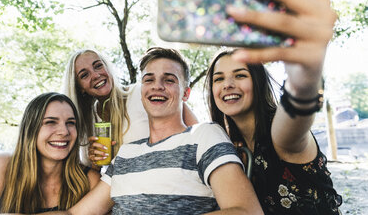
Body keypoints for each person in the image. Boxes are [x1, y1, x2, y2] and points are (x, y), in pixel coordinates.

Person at [23, 47, 263, 215]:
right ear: (142, 88)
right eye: (149, 79)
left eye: (169, 80)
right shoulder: (125, 154)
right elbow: (76, 214)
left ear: (186, 94)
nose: (156, 86)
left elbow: (247, 210)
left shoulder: (204, 136)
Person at [205, 0, 342, 214]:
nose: (227, 84)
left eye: (240, 75)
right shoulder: (227, 144)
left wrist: (305, 75)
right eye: (218, 79)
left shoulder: (280, 134)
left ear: (257, 82)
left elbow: (298, 104)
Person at [63, 49, 198, 167]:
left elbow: (195, 131)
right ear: (79, 87)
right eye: (84, 75)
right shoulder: (88, 122)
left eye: (98, 66)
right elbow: (99, 174)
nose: (96, 75)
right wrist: (95, 163)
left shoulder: (142, 93)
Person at [0, 92, 100, 213]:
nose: (64, 131)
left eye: (70, 123)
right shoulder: (1, 167)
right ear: (31, 129)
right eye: (50, 122)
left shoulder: (89, 181)